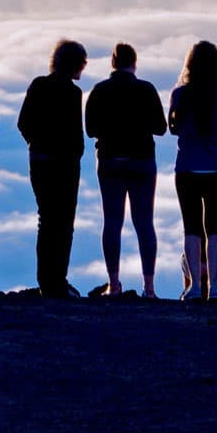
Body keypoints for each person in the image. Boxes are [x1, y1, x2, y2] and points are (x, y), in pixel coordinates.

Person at [85, 43, 167, 298]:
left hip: (110, 160)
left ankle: (113, 283)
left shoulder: (99, 91)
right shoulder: (146, 89)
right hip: (142, 160)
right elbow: (161, 128)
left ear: (113, 62)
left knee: (112, 222)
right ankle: (149, 287)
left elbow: (90, 130)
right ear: (135, 63)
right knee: (144, 224)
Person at [18, 39, 88, 299]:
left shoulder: (38, 85)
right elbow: (75, 132)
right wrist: (74, 153)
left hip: (40, 162)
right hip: (66, 164)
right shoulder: (72, 93)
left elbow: (23, 122)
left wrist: (36, 145)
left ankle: (46, 281)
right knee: (64, 223)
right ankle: (58, 280)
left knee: (46, 220)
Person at [169, 41, 217, 301]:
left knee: (191, 227)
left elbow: (173, 127)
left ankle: (194, 286)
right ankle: (215, 286)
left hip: (186, 166)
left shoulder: (180, 94)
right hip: (216, 166)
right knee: (215, 228)